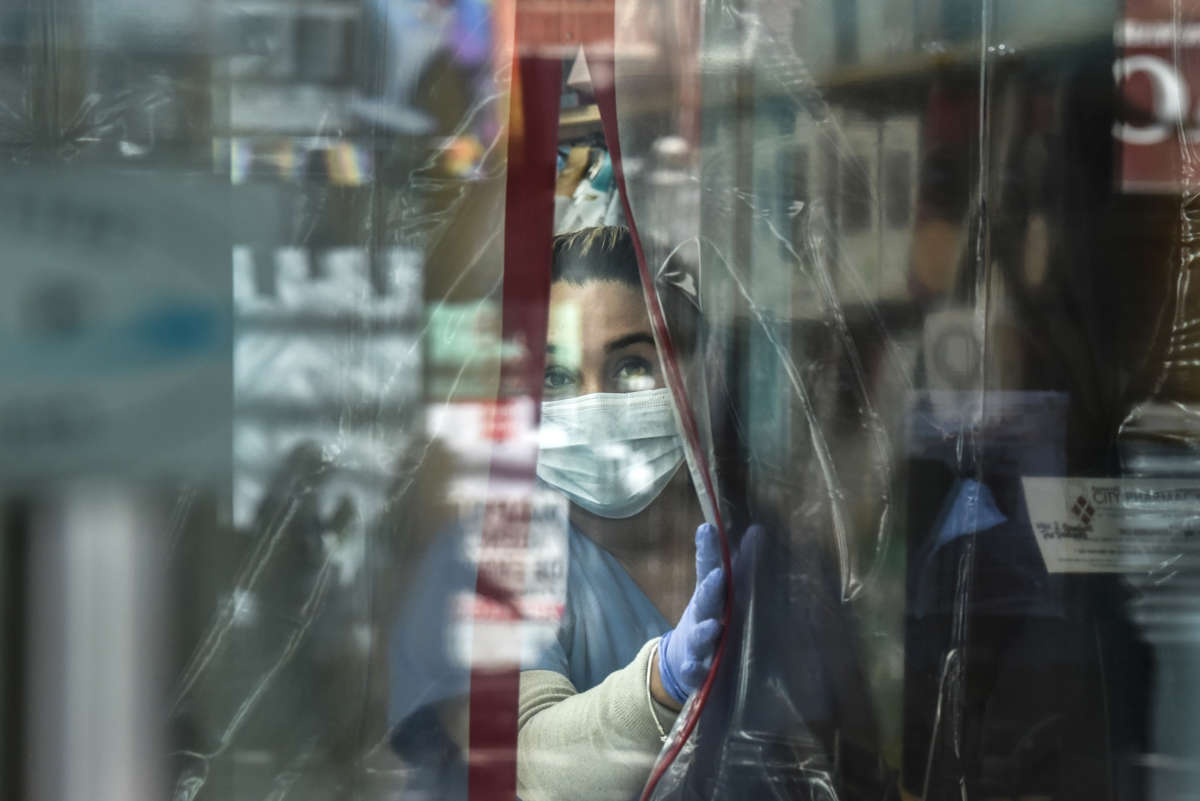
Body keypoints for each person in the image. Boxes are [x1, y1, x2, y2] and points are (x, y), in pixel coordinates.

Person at [387, 226, 728, 801]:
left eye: (634, 366)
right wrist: (661, 684)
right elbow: (528, 767)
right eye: (556, 376)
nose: (594, 402)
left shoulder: (752, 548)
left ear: (699, 374)